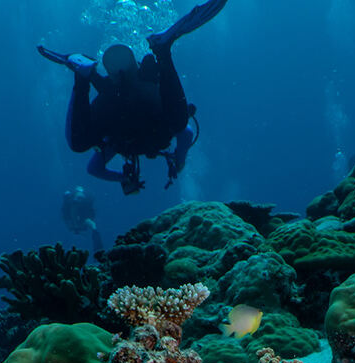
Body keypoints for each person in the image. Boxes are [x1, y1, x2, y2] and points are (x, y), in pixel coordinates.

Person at [39, 0, 226, 194]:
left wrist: (126, 176)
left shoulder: (118, 143)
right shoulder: (120, 144)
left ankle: (89, 74)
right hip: (136, 100)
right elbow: (94, 169)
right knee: (177, 121)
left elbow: (93, 168)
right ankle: (89, 75)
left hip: (117, 103)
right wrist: (179, 160)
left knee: (80, 142)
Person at [61, 185, 103, 253]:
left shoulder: (74, 204)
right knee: (92, 226)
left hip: (82, 218)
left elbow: (72, 215)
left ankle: (98, 249)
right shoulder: (73, 204)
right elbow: (72, 215)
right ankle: (98, 248)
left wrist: (76, 226)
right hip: (81, 218)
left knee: (92, 226)